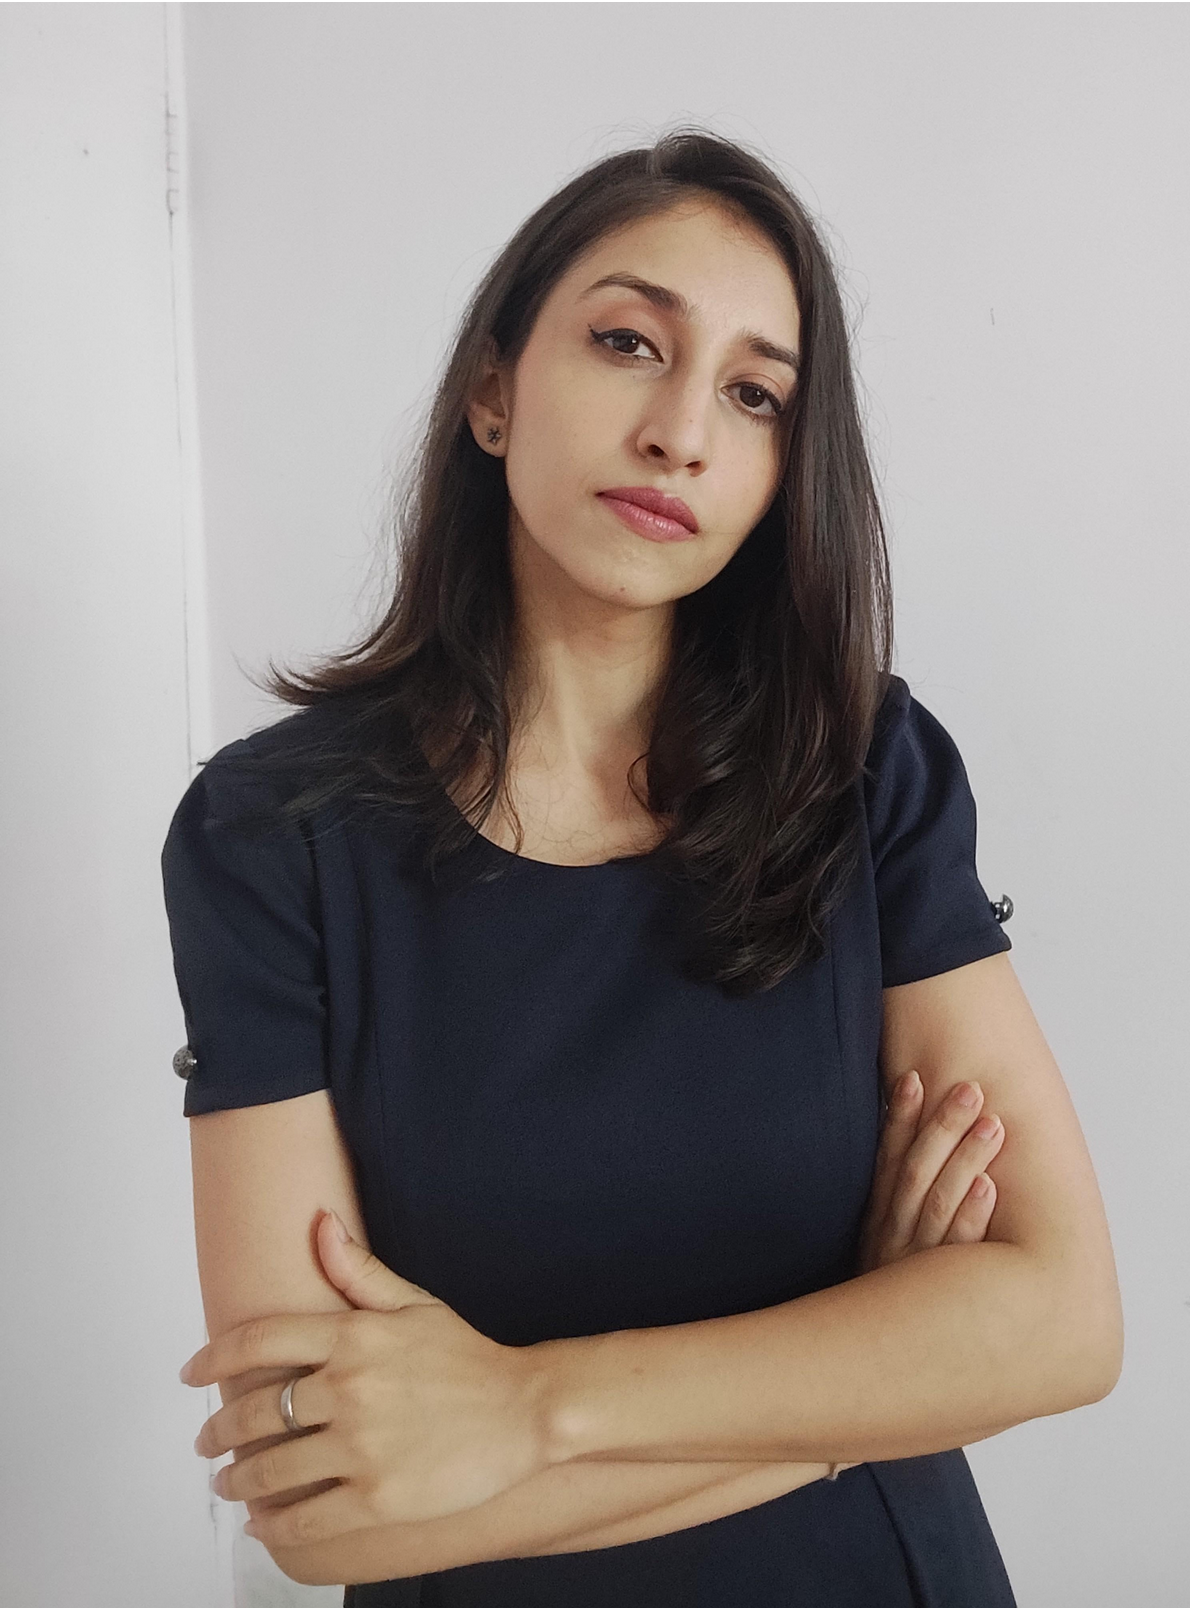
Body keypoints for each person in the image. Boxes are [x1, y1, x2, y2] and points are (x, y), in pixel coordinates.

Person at [162, 127, 1122, 1606]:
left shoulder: (864, 766)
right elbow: (326, 1519)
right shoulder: (269, 834)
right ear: (492, 391)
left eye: (754, 394)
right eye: (629, 344)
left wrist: (526, 1407)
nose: (683, 433)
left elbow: (1063, 1324)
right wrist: (870, 1386)